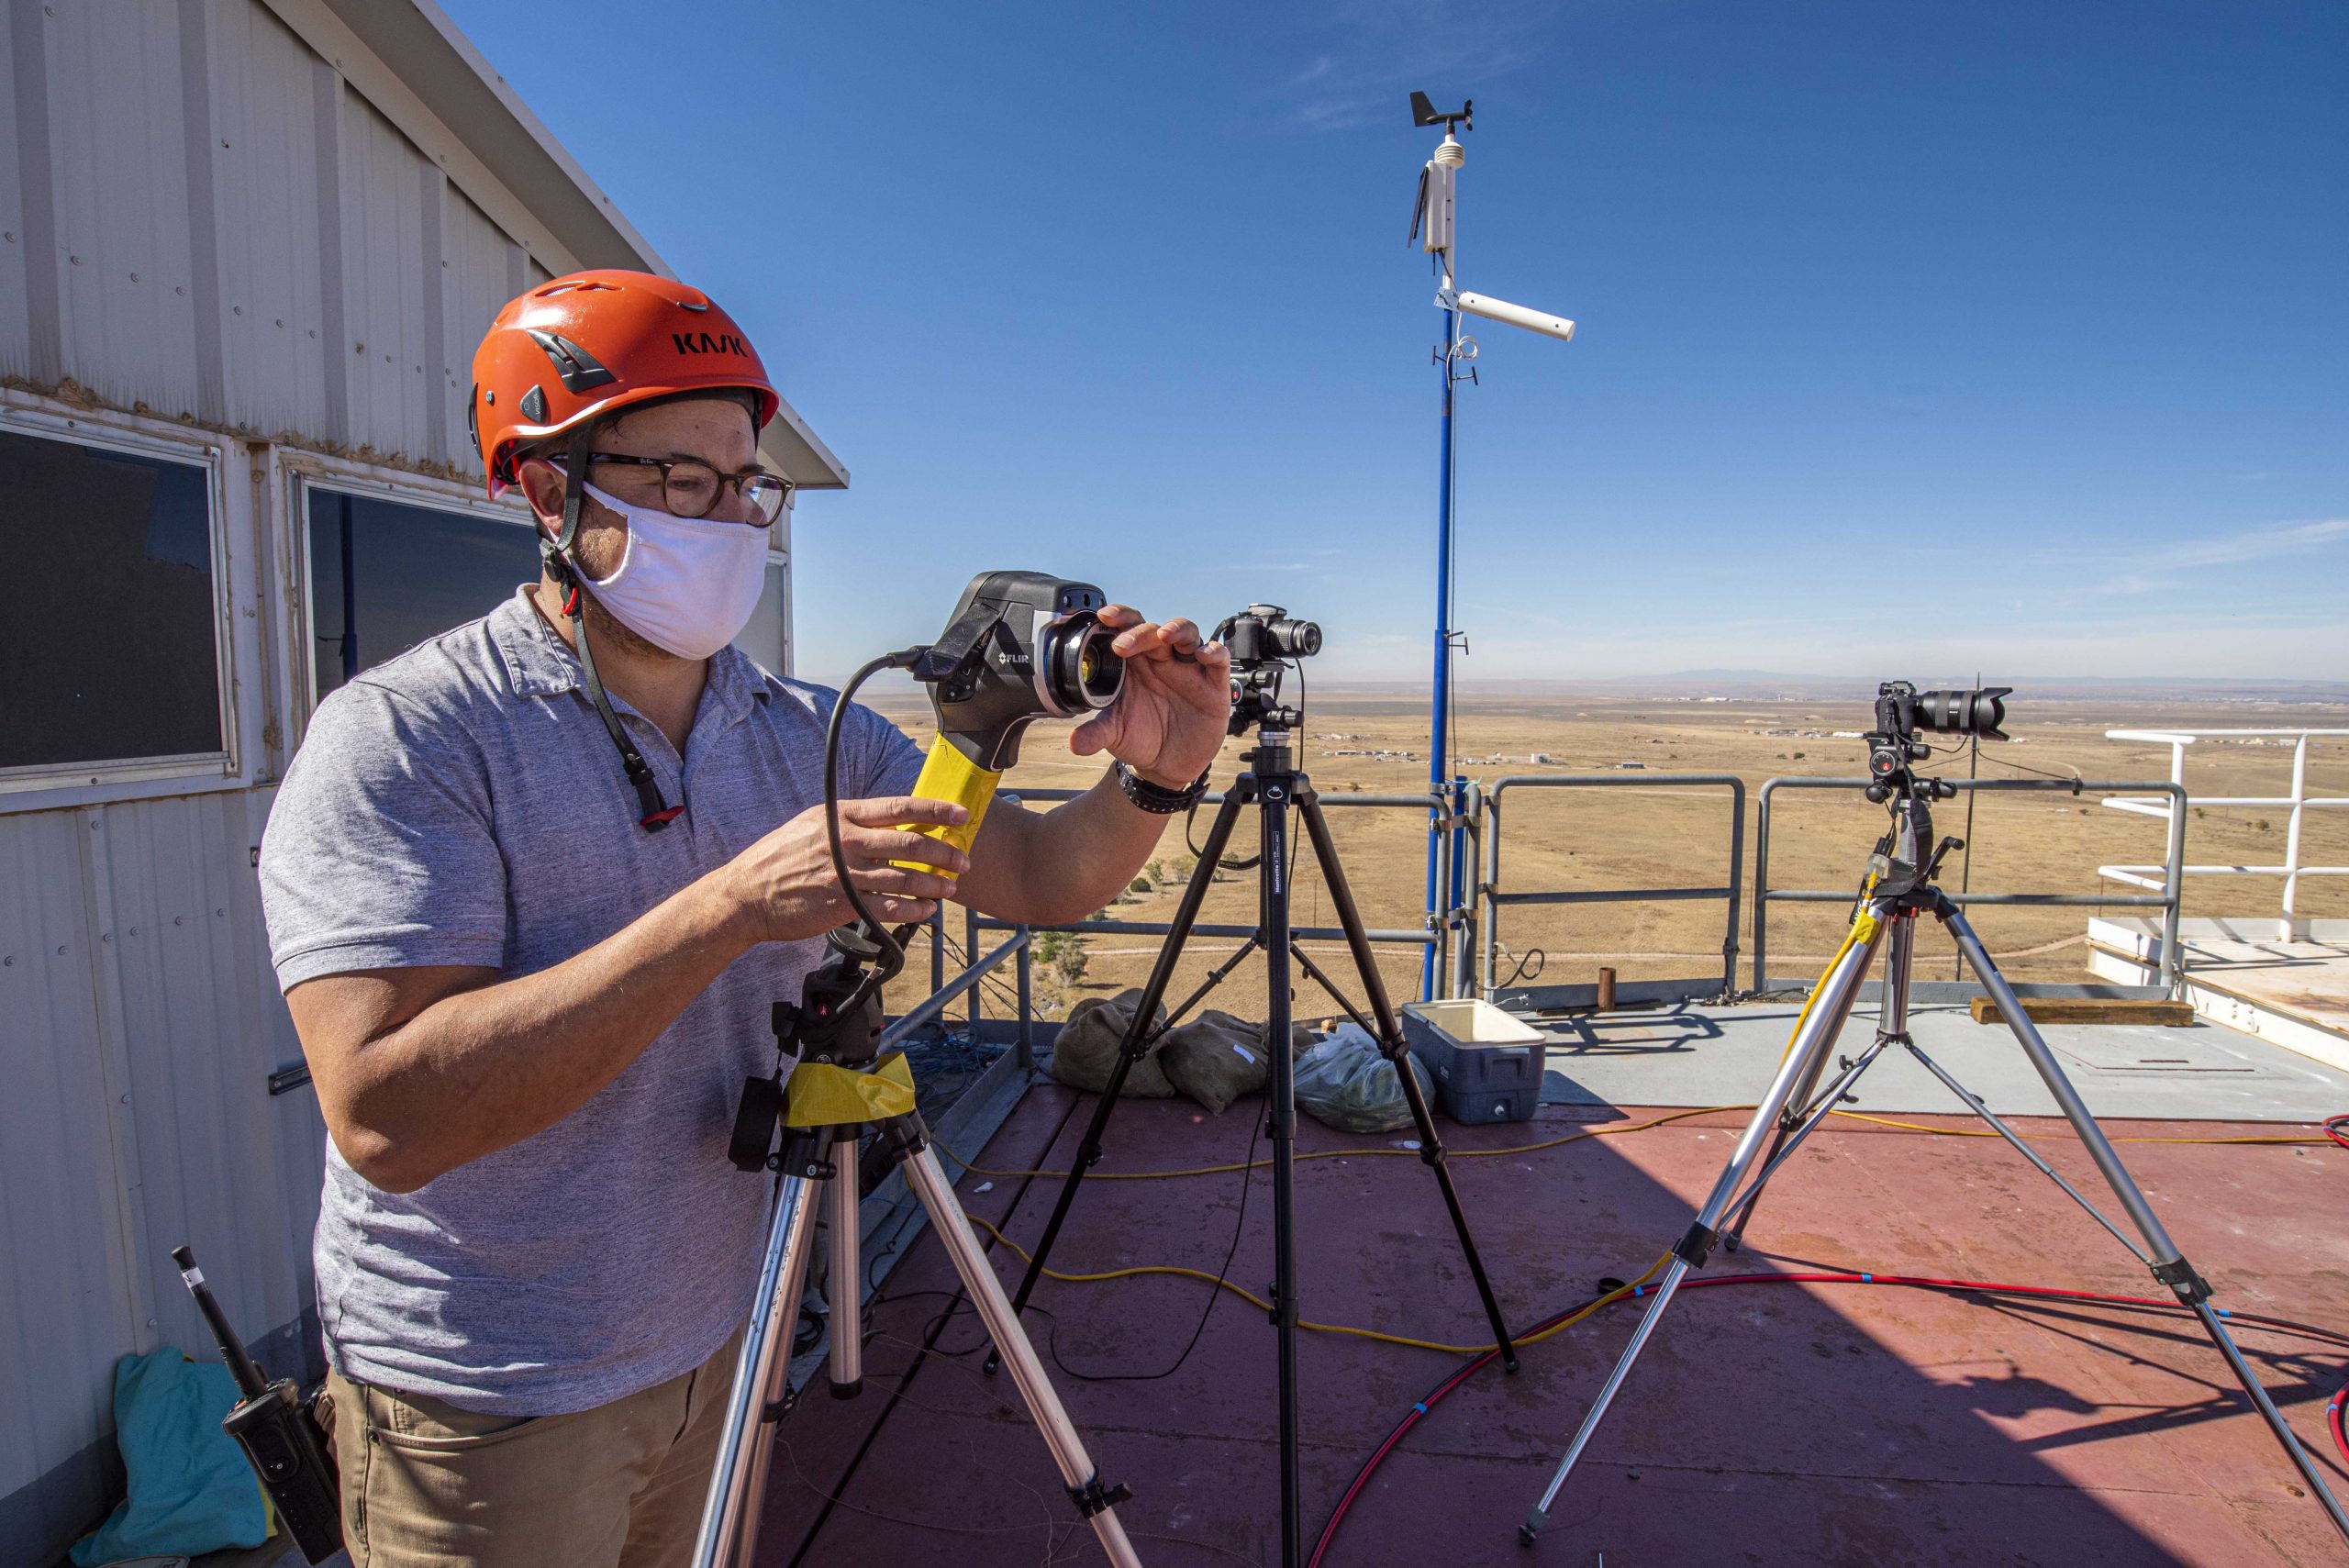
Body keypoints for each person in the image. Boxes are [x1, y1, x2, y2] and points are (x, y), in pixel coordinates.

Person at [257, 269, 1232, 1568]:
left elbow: (1041, 876)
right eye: (685, 482)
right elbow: (385, 1110)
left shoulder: (799, 731)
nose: (735, 522)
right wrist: (722, 909)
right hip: (486, 1399)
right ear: (549, 491)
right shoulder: (408, 737)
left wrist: (1156, 772)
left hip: (715, 1342)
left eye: (746, 484)